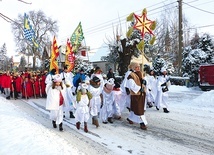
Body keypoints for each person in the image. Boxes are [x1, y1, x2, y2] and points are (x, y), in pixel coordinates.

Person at [127, 62, 148, 130]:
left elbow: (143, 83)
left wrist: (144, 84)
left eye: (139, 67)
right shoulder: (131, 75)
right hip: (136, 94)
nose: (138, 68)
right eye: (136, 67)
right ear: (133, 68)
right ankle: (142, 123)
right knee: (139, 110)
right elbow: (131, 85)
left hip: (142, 94)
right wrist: (139, 88)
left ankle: (130, 118)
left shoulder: (141, 74)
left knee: (135, 108)